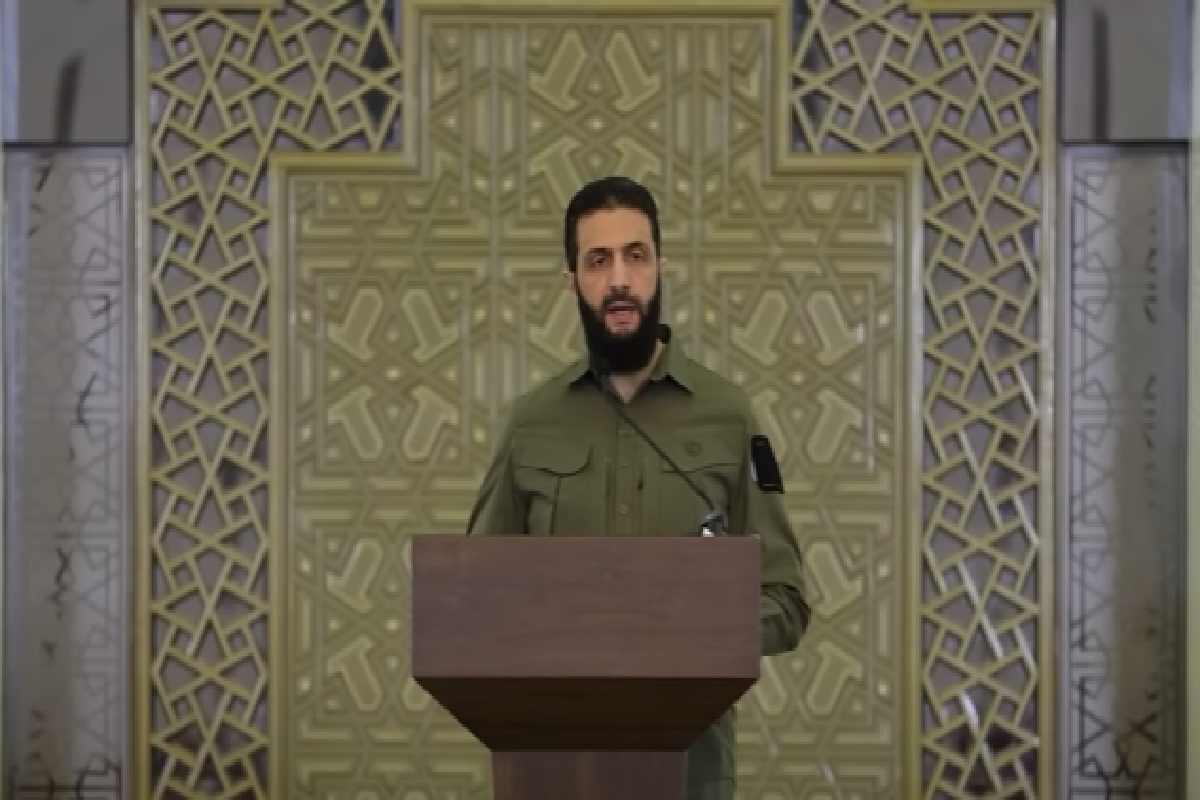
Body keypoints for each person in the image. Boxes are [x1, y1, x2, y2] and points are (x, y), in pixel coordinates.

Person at [466, 175, 810, 800]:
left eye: (636, 255)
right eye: (598, 261)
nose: (620, 279)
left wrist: (692, 633)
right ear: (572, 281)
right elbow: (475, 597)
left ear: (660, 267)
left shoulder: (731, 417)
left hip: (690, 776)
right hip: (555, 774)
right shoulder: (530, 422)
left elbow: (785, 602)